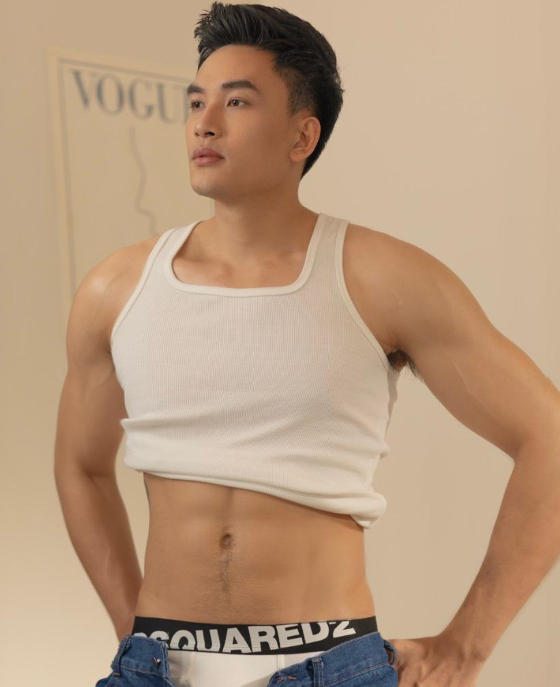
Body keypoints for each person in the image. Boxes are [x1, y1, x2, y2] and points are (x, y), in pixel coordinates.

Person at [54, 3, 560, 687]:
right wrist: (133, 632)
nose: (205, 122)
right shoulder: (115, 288)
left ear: (302, 135)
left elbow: (547, 436)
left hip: (328, 663)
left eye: (237, 102)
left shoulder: (384, 279)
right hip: (157, 665)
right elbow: (82, 467)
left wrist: (465, 646)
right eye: (196, 102)